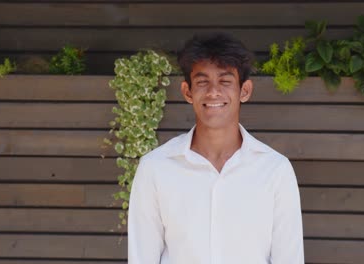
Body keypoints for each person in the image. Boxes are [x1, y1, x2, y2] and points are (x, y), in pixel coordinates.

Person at [128, 32, 304, 264]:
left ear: (245, 90)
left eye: (225, 81)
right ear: (187, 91)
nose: (213, 92)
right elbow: (142, 257)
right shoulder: (155, 168)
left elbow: (289, 258)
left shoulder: (275, 170)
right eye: (202, 82)